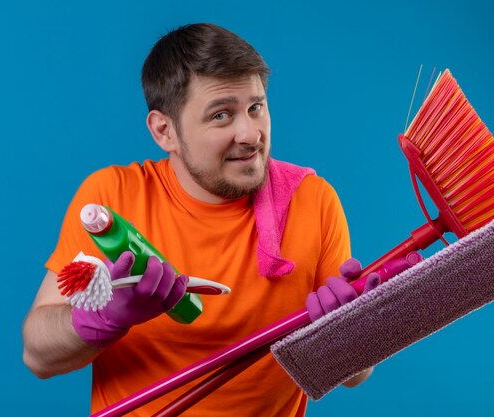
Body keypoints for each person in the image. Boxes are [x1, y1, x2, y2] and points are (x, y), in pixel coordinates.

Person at [22, 23, 378, 417]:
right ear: (165, 131)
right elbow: (38, 355)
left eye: (255, 107)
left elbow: (354, 374)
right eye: (221, 115)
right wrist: (105, 319)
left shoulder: (312, 200)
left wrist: (350, 335)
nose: (250, 133)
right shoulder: (112, 199)